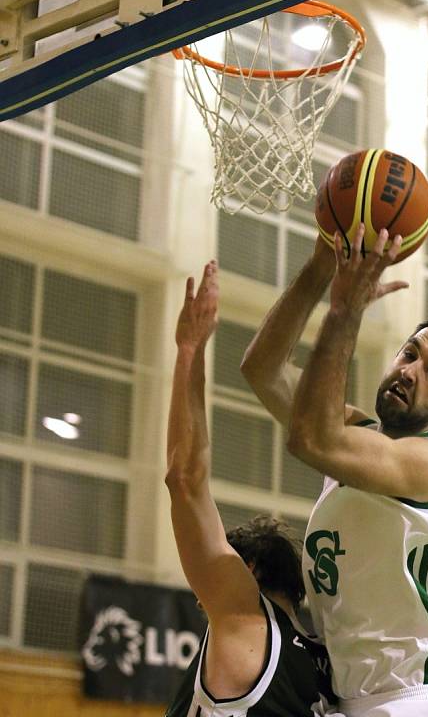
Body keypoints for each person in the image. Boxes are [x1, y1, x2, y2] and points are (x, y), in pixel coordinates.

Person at [241, 226, 428, 717]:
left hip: (424, 702)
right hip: (356, 703)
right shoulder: (358, 434)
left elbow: (310, 439)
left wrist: (346, 309)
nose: (410, 370)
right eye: (410, 353)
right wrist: (318, 268)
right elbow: (262, 370)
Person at [164, 260, 336, 717]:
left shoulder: (243, 616)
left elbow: (184, 481)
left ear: (250, 569)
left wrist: (189, 351)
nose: (202, 595)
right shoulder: (332, 664)